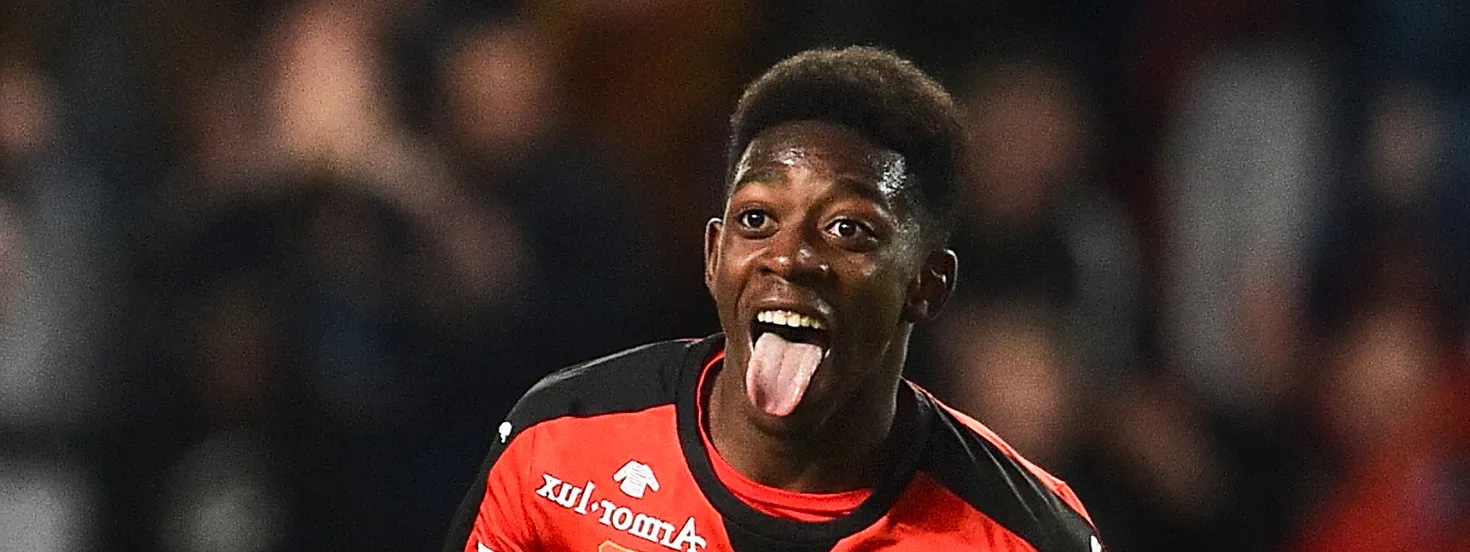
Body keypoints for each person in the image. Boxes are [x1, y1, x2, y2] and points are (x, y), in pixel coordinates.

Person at [442, 46, 1106, 552]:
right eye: (757, 219)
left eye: (848, 229)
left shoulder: (1021, 532)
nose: (790, 257)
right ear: (712, 256)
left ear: (926, 285)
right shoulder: (560, 445)